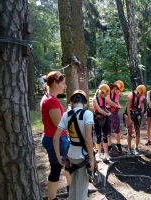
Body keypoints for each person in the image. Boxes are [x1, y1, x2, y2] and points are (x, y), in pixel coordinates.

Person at [53, 90, 94, 200]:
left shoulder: (66, 115)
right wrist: (92, 159)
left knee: (73, 186)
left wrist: (58, 157)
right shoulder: (88, 114)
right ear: (85, 103)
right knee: (82, 189)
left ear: (71, 102)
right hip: (83, 156)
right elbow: (88, 139)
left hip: (71, 156)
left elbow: (56, 137)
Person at [40, 71, 71, 200]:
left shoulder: (50, 98)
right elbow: (59, 123)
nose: (65, 86)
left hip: (59, 139)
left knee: (69, 163)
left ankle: (71, 189)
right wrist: (70, 113)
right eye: (63, 83)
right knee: (56, 168)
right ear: (54, 83)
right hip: (55, 140)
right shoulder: (51, 101)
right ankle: (51, 198)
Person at [124, 84, 146, 155]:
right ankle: (129, 148)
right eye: (139, 94)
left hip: (137, 112)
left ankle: (136, 147)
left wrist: (142, 109)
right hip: (129, 112)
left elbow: (141, 103)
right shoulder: (130, 96)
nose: (139, 96)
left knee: (137, 129)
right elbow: (127, 108)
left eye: (141, 95)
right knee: (130, 130)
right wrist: (129, 118)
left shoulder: (142, 96)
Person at [93, 84, 112, 162]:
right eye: (105, 94)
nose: (106, 96)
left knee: (105, 135)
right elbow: (99, 110)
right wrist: (107, 113)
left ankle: (106, 153)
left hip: (104, 119)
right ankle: (99, 153)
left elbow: (104, 108)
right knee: (98, 136)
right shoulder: (95, 99)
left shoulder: (104, 99)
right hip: (97, 119)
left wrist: (108, 112)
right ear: (101, 92)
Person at [106, 80, 124, 153]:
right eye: (119, 90)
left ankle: (118, 144)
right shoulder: (108, 91)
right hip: (107, 112)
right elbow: (109, 101)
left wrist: (118, 105)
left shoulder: (116, 94)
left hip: (114, 112)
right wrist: (117, 106)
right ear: (115, 88)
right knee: (108, 129)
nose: (119, 92)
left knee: (117, 128)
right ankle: (109, 145)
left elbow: (117, 101)